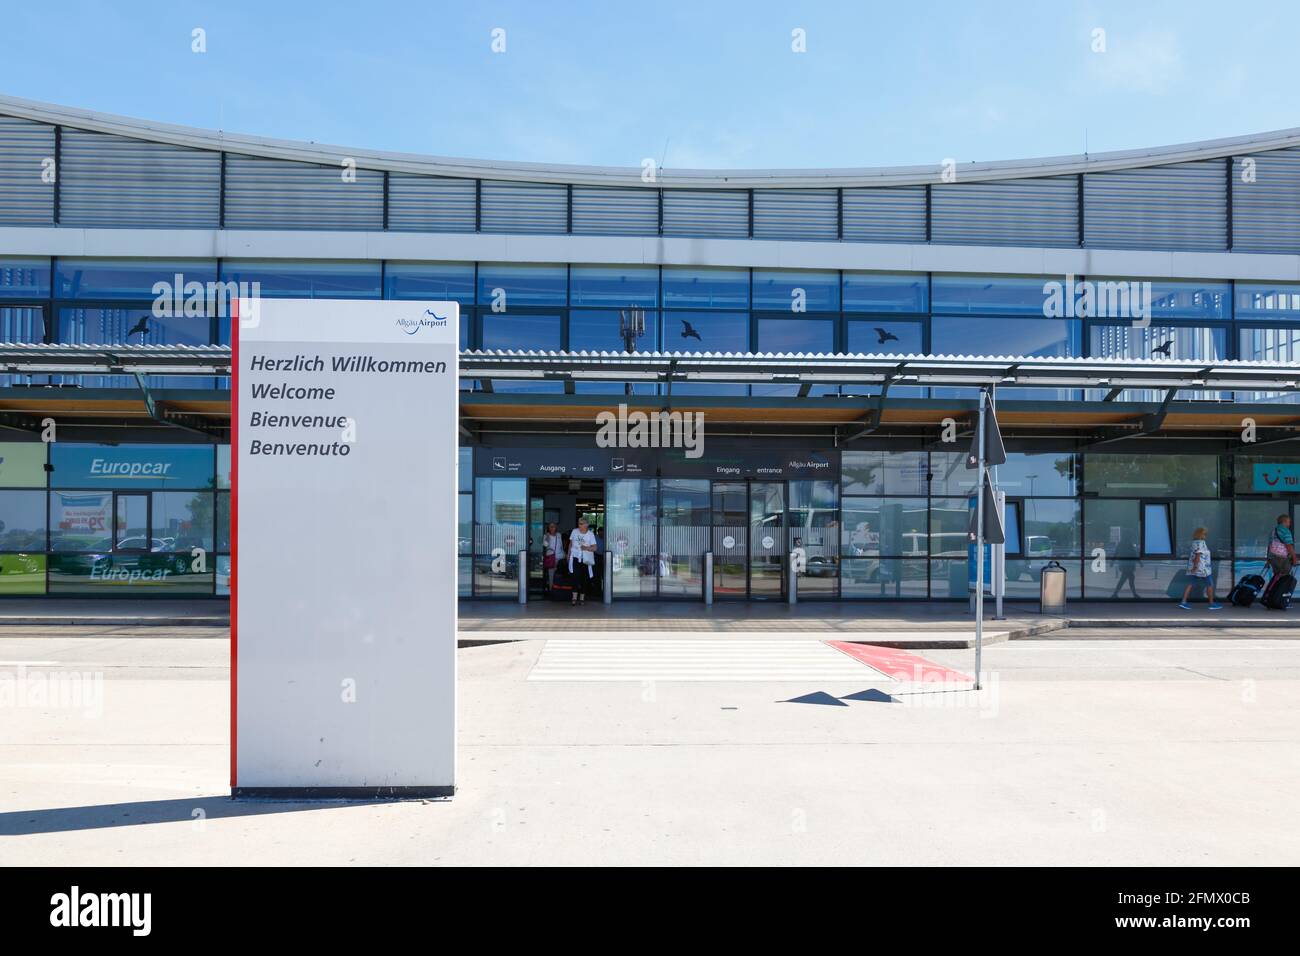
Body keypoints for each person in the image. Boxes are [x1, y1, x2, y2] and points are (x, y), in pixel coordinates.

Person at [1179, 527, 1222, 610]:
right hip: (1202, 569)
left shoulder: (1194, 542)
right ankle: (1211, 604)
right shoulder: (1201, 543)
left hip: (1196, 568)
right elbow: (1198, 556)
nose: (1206, 535)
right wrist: (1195, 567)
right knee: (1210, 585)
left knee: (1190, 584)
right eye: (1205, 534)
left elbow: (1195, 555)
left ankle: (1183, 602)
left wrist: (1194, 567)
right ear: (1201, 534)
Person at [568, 516, 597, 606]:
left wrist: (586, 548)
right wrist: (568, 554)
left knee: (584, 578)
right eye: (579, 523)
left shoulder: (590, 534)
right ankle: (574, 597)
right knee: (575, 578)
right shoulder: (574, 531)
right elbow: (571, 544)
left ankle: (582, 598)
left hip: (585, 559)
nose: (579, 525)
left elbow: (595, 548)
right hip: (575, 557)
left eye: (581, 524)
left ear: (586, 524)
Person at [1266, 513, 1297, 581]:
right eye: (1289, 522)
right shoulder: (1285, 531)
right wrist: (1294, 558)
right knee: (1284, 578)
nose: (1289, 524)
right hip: (1281, 558)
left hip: (1272, 558)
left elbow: (1269, 545)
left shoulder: (1273, 531)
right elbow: (1289, 546)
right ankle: (1279, 591)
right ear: (1284, 521)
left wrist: (1268, 559)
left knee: (1277, 577)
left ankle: (1273, 590)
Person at [1110, 530, 1139, 599]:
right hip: (1128, 565)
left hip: (1124, 565)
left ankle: (1115, 594)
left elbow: (1116, 553)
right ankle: (1115, 594)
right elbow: (1134, 554)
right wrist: (1139, 562)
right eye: (1130, 535)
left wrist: (1112, 562)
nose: (1131, 537)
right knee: (1127, 579)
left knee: (1127, 579)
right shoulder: (1129, 544)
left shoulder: (1121, 544)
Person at [542, 521, 564, 593]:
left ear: (556, 527)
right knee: (551, 575)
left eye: (553, 526)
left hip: (560, 558)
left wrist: (565, 555)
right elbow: (545, 545)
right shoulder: (546, 535)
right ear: (548, 528)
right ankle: (552, 591)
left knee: (559, 575)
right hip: (551, 558)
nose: (552, 528)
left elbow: (561, 546)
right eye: (550, 526)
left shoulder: (559, 535)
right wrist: (547, 536)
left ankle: (559, 590)